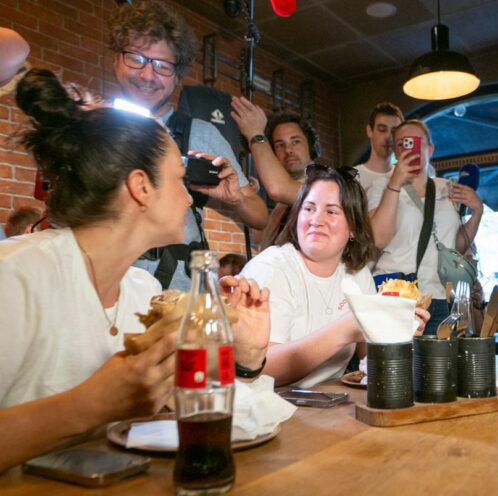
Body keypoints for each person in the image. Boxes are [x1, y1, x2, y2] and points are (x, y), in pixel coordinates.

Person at [0, 69, 270, 471]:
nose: (187, 199)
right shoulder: (16, 277)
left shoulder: (144, 292)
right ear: (141, 186)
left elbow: (189, 415)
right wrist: (91, 404)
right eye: (180, 180)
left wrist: (246, 356)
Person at [109, 0, 267, 290]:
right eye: (136, 58)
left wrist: (236, 199)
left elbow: (259, 215)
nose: (147, 75)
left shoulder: (199, 133)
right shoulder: (92, 126)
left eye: (162, 66)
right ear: (116, 58)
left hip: (176, 294)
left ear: (177, 76)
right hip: (101, 286)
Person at [240, 165, 429, 387]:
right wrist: (346, 329)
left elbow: (369, 355)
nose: (316, 220)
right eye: (308, 209)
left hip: (327, 404)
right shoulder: (271, 268)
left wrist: (398, 334)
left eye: (331, 211)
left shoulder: (357, 274)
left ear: (353, 229)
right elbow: (259, 371)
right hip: (265, 407)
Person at [367, 120, 483, 335]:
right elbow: (377, 238)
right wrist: (395, 183)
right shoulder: (381, 185)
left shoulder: (447, 188)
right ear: (395, 150)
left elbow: (452, 245)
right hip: (395, 292)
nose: (410, 149)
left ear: (430, 149)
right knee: (398, 365)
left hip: (438, 295)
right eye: (402, 143)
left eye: (416, 143)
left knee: (438, 366)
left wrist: (477, 213)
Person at [230, 100, 321, 248]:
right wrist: (243, 198)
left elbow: (278, 188)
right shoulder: (281, 204)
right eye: (280, 145)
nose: (288, 150)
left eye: (296, 141)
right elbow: (267, 241)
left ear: (310, 146)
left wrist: (255, 134)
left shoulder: (325, 183)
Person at [355, 102, 404, 193]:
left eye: (394, 131)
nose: (389, 137)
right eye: (382, 130)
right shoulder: (353, 178)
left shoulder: (404, 176)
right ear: (370, 131)